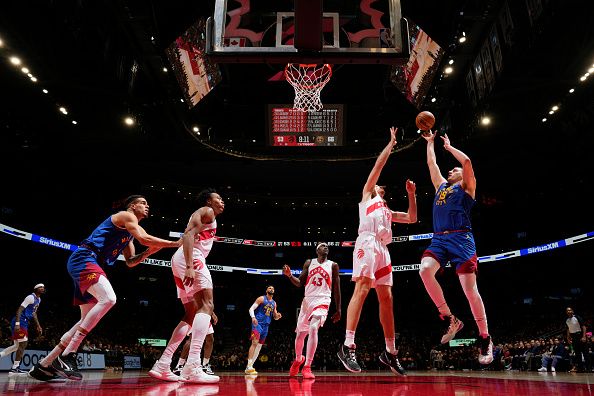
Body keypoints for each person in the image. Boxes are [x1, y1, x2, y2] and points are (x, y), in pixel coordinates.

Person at [29, 195, 181, 381]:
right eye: (143, 203)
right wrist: (174, 244)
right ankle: (68, 356)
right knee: (109, 299)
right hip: (85, 258)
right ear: (132, 206)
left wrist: (148, 253)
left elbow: (131, 262)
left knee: (85, 319)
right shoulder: (126, 216)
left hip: (92, 264)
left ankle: (44, 364)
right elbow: (145, 238)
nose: (147, 206)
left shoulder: (129, 234)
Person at [337, 127, 417, 375]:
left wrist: (412, 195)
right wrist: (390, 145)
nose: (379, 184)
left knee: (387, 299)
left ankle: (390, 352)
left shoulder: (386, 210)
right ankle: (348, 345)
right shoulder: (366, 198)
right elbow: (377, 168)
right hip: (367, 243)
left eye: (381, 186)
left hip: (383, 248)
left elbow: (412, 218)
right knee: (361, 288)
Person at [418, 131, 493, 365]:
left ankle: (485, 338)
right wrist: (430, 143)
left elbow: (467, 162)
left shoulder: (467, 186)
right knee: (424, 270)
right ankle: (451, 318)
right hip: (440, 239)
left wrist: (449, 147)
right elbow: (431, 163)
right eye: (450, 169)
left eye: (454, 170)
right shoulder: (441, 186)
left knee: (470, 292)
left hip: (462, 239)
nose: (450, 170)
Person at [166, 188, 225, 384]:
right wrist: (190, 265)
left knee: (192, 313)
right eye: (219, 199)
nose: (222, 202)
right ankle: (192, 365)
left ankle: (163, 363)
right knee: (207, 305)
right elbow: (189, 233)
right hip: (190, 258)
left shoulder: (210, 217)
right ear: (209, 201)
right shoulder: (206, 211)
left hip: (181, 258)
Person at [283, 242, 341, 379]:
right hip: (307, 300)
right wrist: (290, 275)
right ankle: (298, 360)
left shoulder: (333, 265)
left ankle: (307, 366)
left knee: (313, 328)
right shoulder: (309, 263)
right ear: (317, 250)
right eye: (322, 246)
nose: (325, 247)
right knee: (300, 335)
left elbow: (337, 289)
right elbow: (299, 283)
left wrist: (338, 309)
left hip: (323, 300)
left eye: (327, 246)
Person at [1, 284, 45, 373]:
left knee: (16, 346)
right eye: (40, 287)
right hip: (20, 321)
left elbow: (34, 314)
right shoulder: (30, 297)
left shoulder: (39, 300)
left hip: (24, 322)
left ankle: (9, 362)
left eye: (43, 287)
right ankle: (15, 368)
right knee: (23, 343)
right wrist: (17, 324)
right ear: (36, 289)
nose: (43, 289)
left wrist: (38, 325)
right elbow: (19, 310)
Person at [245, 286, 282, 374]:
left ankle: (249, 367)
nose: (271, 289)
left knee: (259, 346)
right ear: (266, 290)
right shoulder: (261, 298)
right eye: (269, 288)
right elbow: (251, 309)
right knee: (254, 343)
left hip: (266, 326)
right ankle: (249, 365)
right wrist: (253, 317)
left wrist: (278, 316)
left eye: (273, 288)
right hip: (257, 324)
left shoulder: (274, 303)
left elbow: (275, 316)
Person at [565, 307, 587, 372]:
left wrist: (584, 336)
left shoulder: (577, 317)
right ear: (566, 312)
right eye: (567, 311)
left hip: (580, 335)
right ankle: (580, 368)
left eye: (570, 310)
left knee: (585, 352)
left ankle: (588, 368)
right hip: (574, 337)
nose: (569, 311)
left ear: (572, 311)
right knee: (577, 354)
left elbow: (583, 327)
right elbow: (568, 329)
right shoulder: (567, 320)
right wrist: (568, 338)